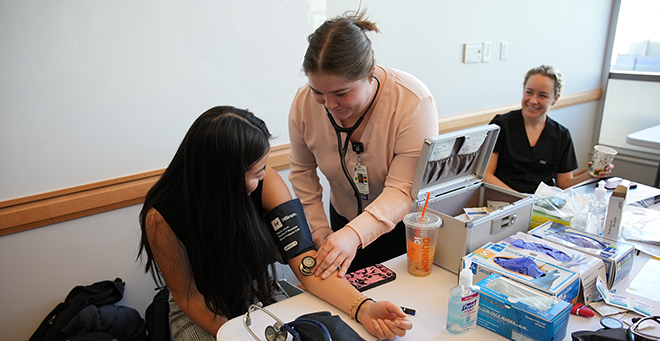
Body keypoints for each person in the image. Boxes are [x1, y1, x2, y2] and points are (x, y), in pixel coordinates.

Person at [138, 106, 412, 341]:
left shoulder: (266, 185)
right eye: (255, 173)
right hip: (200, 308)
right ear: (222, 178)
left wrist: (362, 307)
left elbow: (307, 263)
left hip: (257, 295)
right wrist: (238, 333)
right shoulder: (162, 217)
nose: (264, 177)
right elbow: (189, 299)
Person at [287, 9, 439, 280]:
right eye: (318, 92)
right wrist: (320, 229)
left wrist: (355, 234)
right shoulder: (303, 104)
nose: (330, 105)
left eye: (342, 93)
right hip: (340, 219)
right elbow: (302, 172)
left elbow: (404, 189)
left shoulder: (413, 102)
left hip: (398, 227)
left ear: (370, 73)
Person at [484, 65, 613, 194]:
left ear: (555, 99)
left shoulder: (561, 135)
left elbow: (564, 183)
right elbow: (486, 175)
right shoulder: (501, 125)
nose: (533, 100)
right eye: (529, 92)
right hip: (503, 200)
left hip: (542, 205)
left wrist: (591, 174)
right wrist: (520, 200)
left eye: (542, 95)